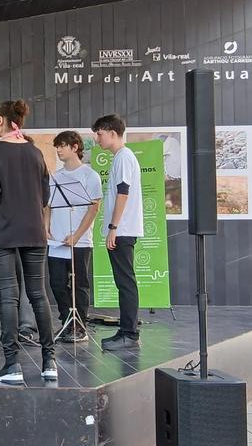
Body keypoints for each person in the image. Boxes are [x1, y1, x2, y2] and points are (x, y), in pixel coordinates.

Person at [0, 100, 57, 384]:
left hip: (4, 232)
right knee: (38, 294)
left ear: (3, 120)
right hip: (34, 231)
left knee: (9, 295)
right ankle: (49, 361)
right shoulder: (34, 151)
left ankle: (12, 365)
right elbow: (44, 197)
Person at [92, 114, 144, 351]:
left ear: (112, 133)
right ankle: (126, 330)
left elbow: (123, 193)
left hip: (122, 230)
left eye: (100, 134)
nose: (97, 139)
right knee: (124, 281)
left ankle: (130, 334)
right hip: (121, 229)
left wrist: (113, 228)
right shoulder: (121, 157)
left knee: (125, 282)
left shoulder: (123, 157)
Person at [45, 131, 102, 343]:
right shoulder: (55, 178)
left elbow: (93, 209)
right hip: (56, 240)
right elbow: (48, 207)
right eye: (57, 146)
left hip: (80, 240)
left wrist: (77, 236)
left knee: (80, 284)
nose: (58, 150)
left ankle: (80, 326)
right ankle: (67, 321)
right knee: (57, 283)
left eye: (62, 146)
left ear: (75, 147)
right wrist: (46, 228)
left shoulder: (90, 175)